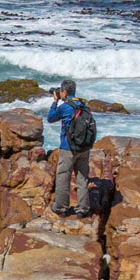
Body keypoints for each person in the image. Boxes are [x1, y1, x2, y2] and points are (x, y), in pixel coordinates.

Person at [45, 78, 94, 216]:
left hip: (68, 147)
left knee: (63, 177)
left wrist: (55, 102)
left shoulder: (65, 106)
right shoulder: (84, 105)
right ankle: (83, 209)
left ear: (64, 92)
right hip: (84, 146)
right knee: (82, 177)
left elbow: (50, 118)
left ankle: (61, 207)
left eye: (60, 92)